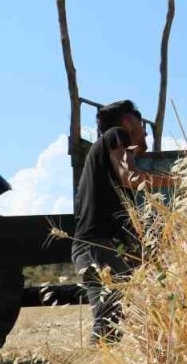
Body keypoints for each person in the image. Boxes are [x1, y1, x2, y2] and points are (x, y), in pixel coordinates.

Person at [71, 99, 174, 344]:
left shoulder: (103, 154)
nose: (145, 131)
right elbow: (130, 178)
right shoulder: (116, 134)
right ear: (128, 122)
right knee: (108, 318)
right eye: (142, 125)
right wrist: (177, 179)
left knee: (115, 316)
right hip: (99, 246)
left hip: (98, 245)